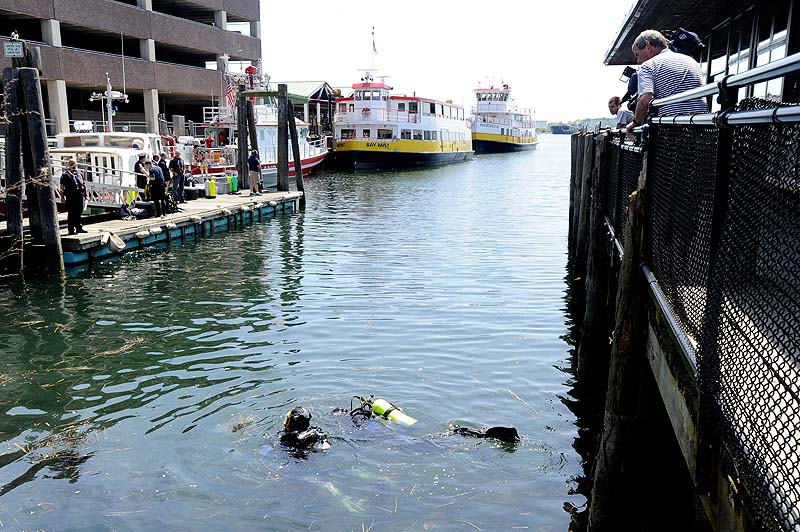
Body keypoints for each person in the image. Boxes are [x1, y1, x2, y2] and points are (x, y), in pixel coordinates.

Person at [627, 29, 708, 133]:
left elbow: (645, 99)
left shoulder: (648, 65)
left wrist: (635, 123)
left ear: (648, 46)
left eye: (637, 54)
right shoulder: (691, 61)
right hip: (701, 127)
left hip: (673, 131)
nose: (638, 61)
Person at [59, 159, 88, 234]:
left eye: (73, 164)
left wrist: (86, 195)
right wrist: (62, 197)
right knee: (71, 213)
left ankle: (79, 227)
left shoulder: (79, 173)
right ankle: (71, 229)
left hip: (79, 194)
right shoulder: (65, 175)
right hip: (70, 195)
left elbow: (84, 185)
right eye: (71, 164)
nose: (72, 166)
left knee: (79, 211)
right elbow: (62, 187)